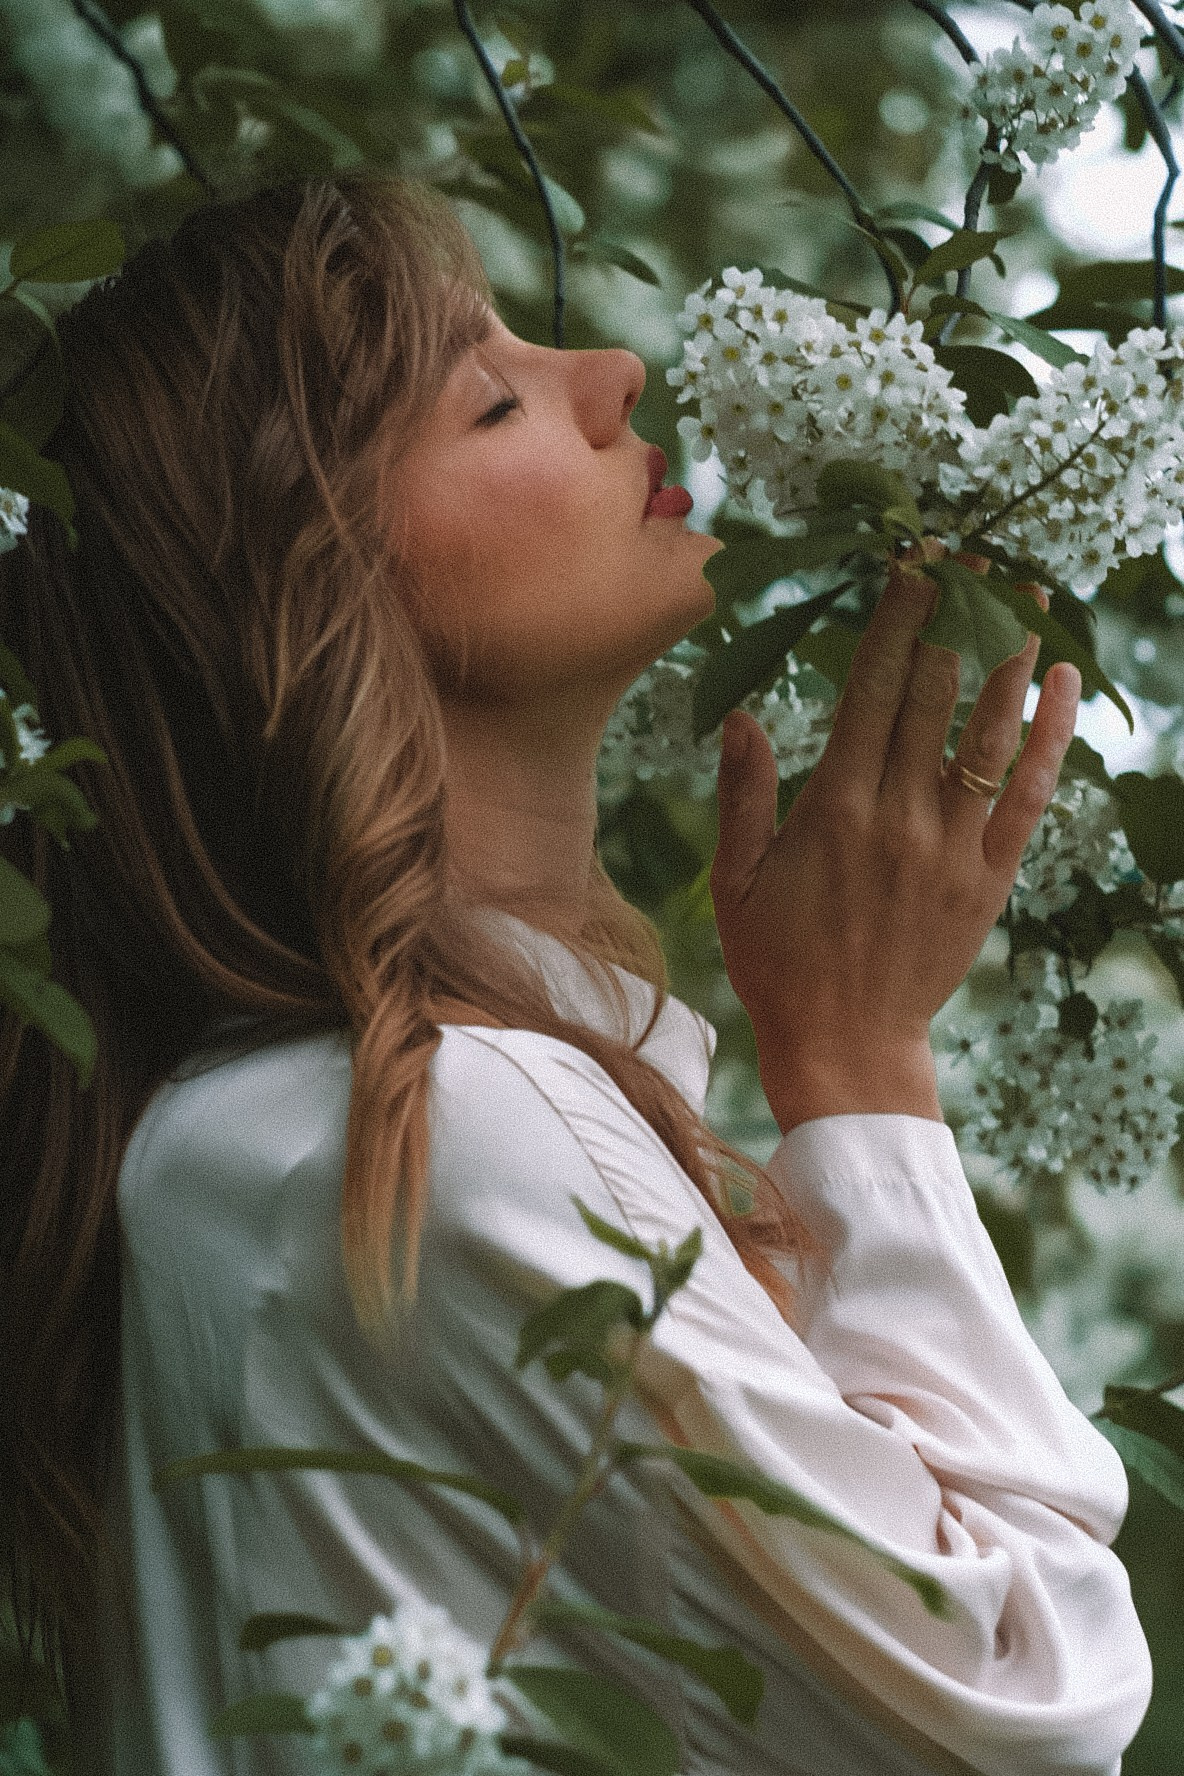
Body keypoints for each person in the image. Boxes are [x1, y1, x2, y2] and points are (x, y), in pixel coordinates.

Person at [0, 170, 1152, 1776]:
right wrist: (860, 1065)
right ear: (314, 592)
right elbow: (1026, 1705)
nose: (609, 379)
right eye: (487, 402)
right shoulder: (429, 1132)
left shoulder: (257, 1128)